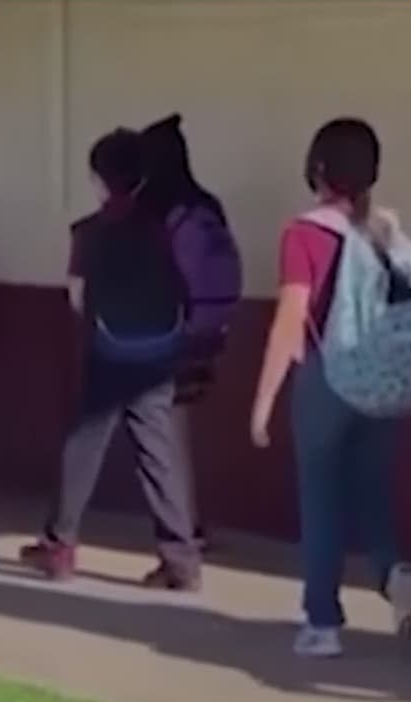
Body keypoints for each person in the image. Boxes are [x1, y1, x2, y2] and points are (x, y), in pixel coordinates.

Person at [250, 118, 411, 658]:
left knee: (321, 498)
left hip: (326, 381)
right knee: (373, 489)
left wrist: (263, 402)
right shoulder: (386, 234)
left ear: (319, 170)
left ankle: (322, 623)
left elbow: (290, 320)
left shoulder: (303, 234)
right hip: (383, 381)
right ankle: (393, 572)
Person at [21, 128, 201, 590]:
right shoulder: (166, 227)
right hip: (160, 352)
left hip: (107, 352)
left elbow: (77, 297)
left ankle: (60, 547)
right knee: (159, 452)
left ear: (99, 179)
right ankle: (181, 560)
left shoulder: (89, 232)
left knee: (83, 445)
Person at [140, 114, 235, 548]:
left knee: (164, 436)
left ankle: (184, 529)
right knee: (176, 428)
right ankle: (188, 524)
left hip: (165, 331)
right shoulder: (207, 204)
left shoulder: (155, 208)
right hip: (207, 330)